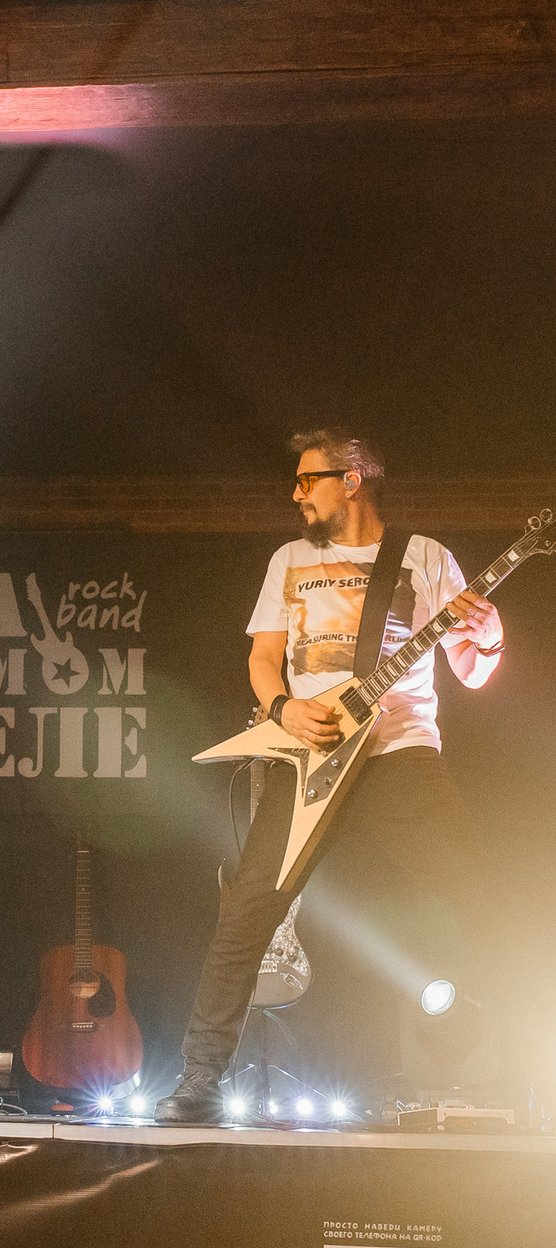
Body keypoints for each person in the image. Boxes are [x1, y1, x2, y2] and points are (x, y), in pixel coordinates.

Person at [155, 429, 505, 1123]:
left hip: (400, 751)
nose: (294, 494)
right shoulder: (288, 559)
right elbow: (263, 663)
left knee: (480, 896)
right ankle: (199, 1079)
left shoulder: (424, 557)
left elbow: (472, 671)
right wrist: (285, 708)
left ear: (351, 479)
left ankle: (525, 1055)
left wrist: (487, 629)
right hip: (309, 756)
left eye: (306, 480)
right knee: (245, 915)